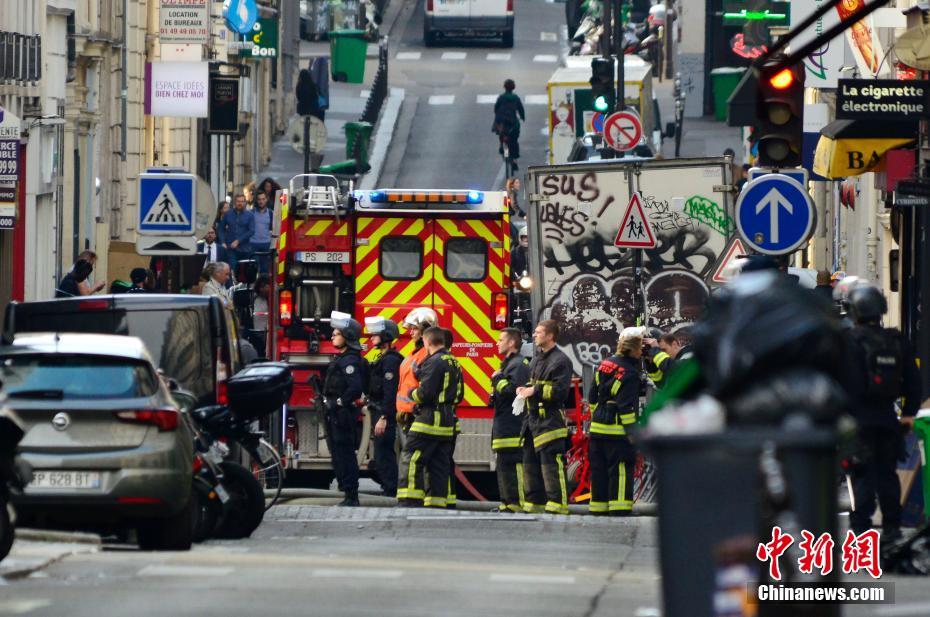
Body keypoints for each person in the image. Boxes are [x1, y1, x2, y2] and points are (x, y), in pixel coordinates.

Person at [845, 285, 921, 542]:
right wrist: (908, 413)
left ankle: (861, 531)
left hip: (857, 420)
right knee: (887, 474)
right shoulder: (897, 341)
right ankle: (891, 528)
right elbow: (914, 382)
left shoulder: (850, 341)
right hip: (888, 419)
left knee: (861, 475)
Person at [397, 326, 462, 508]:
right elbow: (459, 395)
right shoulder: (454, 362)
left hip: (428, 419)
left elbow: (425, 393)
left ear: (427, 341)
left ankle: (409, 499)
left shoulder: (433, 361)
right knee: (439, 463)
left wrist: (412, 393)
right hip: (447, 421)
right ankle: (437, 502)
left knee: (411, 457)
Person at [516, 319, 573, 514]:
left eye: (538, 332)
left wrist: (535, 390)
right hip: (532, 422)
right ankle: (534, 505)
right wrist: (524, 389)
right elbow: (533, 383)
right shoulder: (537, 359)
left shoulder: (560, 361)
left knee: (551, 466)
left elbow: (560, 392)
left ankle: (557, 505)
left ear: (550, 336)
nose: (534, 335)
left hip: (549, 422)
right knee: (530, 465)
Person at [588, 327, 642, 516]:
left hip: (597, 430)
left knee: (599, 471)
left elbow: (592, 396)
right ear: (632, 350)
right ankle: (619, 509)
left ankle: (598, 508)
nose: (641, 352)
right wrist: (632, 434)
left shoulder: (605, 364)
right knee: (620, 469)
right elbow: (626, 408)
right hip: (617, 433)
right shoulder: (630, 373)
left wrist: (598, 416)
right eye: (639, 349)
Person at [323, 313, 367, 507]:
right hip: (337, 414)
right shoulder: (342, 358)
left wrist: (339, 402)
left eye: (337, 334)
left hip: (343, 414)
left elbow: (355, 388)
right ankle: (346, 491)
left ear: (347, 337)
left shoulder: (349, 361)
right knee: (339, 454)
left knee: (345, 454)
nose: (332, 336)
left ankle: (351, 495)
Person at [490, 327, 531, 512]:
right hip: (504, 424)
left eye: (501, 340)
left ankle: (518, 504)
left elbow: (513, 391)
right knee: (504, 466)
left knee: (514, 466)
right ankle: (508, 503)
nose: (497, 343)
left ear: (512, 342)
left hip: (513, 426)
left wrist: (497, 379)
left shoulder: (519, 365)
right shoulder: (509, 364)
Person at [366, 317, 404, 497]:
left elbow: (390, 393)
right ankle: (389, 488)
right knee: (381, 453)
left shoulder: (390, 361)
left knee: (384, 454)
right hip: (379, 410)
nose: (372, 337)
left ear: (386, 336)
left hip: (384, 413)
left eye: (376, 334)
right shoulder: (384, 358)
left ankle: (391, 490)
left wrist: (384, 417)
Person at [396, 307, 440, 432]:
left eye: (415, 329)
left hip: (418, 415)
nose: (411, 333)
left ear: (425, 331)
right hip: (408, 415)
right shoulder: (414, 354)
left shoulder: (427, 355)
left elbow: (426, 388)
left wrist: (415, 409)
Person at [217, 193, 255, 278]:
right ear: (234, 202)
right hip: (231, 249)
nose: (240, 203)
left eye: (242, 201)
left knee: (244, 273)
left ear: (245, 202)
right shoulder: (228, 214)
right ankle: (233, 285)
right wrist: (222, 242)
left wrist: (238, 241)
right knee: (232, 271)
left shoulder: (250, 215)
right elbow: (220, 229)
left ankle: (243, 286)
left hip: (245, 249)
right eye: (238, 201)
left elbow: (252, 231)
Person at [493, 79, 526, 169]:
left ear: (504, 87)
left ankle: (503, 148)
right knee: (514, 140)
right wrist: (522, 117)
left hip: (502, 123)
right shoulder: (516, 98)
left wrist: (498, 116)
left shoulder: (501, 98)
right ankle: (514, 159)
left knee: (502, 135)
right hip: (513, 123)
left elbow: (496, 109)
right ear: (513, 87)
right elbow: (521, 109)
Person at [252, 191, 273, 274]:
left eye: (263, 199)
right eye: (259, 199)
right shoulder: (251, 213)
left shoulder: (271, 213)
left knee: (265, 269)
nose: (261, 201)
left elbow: (273, 229)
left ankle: (264, 282)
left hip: (266, 244)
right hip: (253, 244)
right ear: (256, 200)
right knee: (253, 268)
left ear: (266, 200)